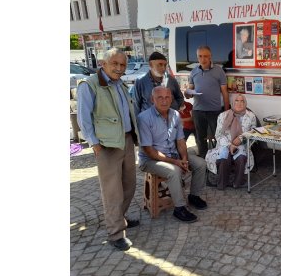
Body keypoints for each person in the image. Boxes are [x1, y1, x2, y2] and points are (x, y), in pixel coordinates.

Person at [76, 48, 140, 251]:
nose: (119, 68)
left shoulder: (119, 83)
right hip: (106, 145)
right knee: (112, 191)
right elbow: (84, 119)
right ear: (103, 63)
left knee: (129, 184)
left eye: (123, 65)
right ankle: (115, 233)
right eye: (115, 64)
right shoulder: (90, 85)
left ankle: (120, 217)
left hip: (127, 141)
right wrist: (94, 144)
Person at [137, 86, 208, 223]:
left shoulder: (175, 114)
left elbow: (180, 140)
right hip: (151, 160)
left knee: (200, 163)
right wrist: (176, 162)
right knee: (174, 171)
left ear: (172, 99)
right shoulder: (144, 118)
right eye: (160, 97)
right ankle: (179, 208)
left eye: (167, 97)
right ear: (153, 99)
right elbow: (149, 150)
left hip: (173, 154)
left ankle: (194, 196)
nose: (164, 101)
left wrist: (184, 159)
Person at [185, 45, 230, 158]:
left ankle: (219, 158)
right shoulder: (194, 72)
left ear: (210, 57)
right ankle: (204, 161)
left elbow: (225, 92)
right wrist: (187, 93)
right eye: (200, 56)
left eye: (205, 56)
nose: (203, 59)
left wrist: (226, 111)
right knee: (200, 138)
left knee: (219, 137)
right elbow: (190, 90)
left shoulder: (219, 71)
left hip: (214, 111)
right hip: (198, 111)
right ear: (197, 57)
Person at [205, 94, 257, 190]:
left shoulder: (251, 116)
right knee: (224, 158)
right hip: (224, 144)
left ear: (245, 103)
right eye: (236, 100)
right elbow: (219, 134)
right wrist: (230, 145)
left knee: (241, 158)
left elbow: (253, 132)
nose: (239, 103)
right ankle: (222, 183)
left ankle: (237, 183)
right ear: (232, 102)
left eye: (242, 101)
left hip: (241, 144)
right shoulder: (223, 115)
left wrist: (241, 139)